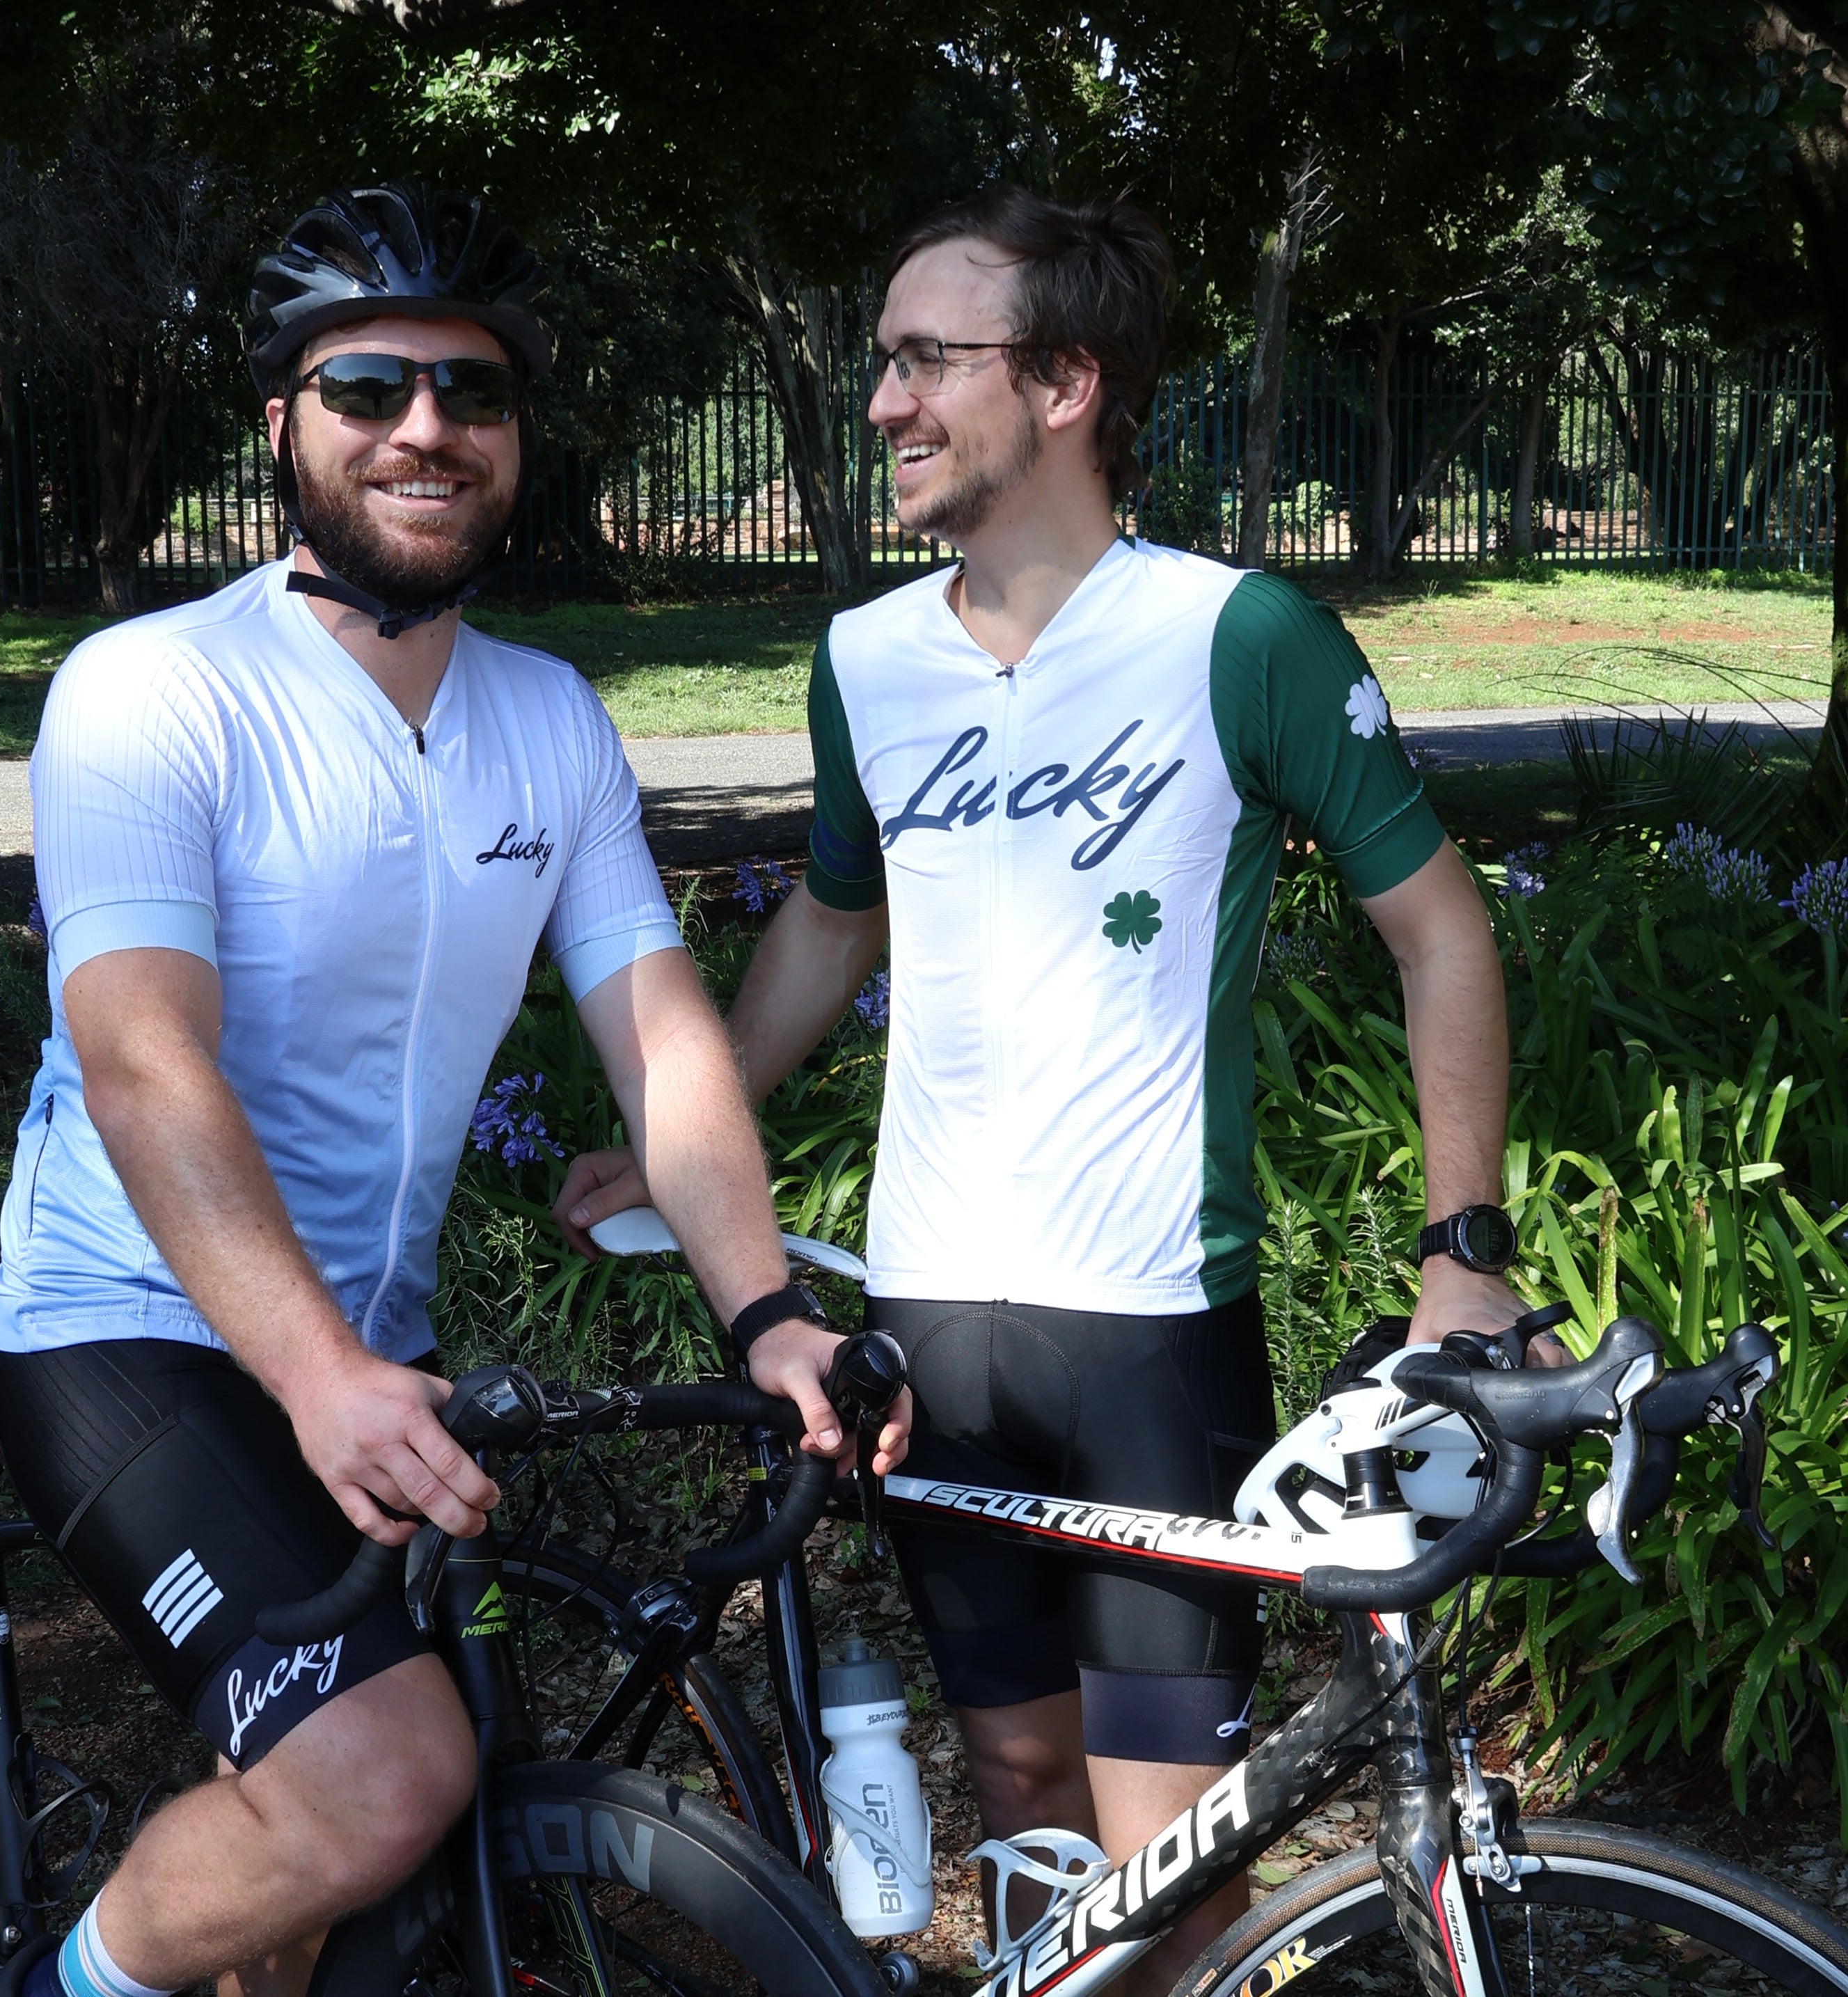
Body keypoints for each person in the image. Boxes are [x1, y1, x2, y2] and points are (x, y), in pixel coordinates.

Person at [555, 184, 1527, 1990]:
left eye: (929, 359)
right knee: (1015, 1784)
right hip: (929, 1325)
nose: (885, 403)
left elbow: (1445, 935)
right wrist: (685, 1136)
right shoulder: (865, 661)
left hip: (1151, 1322)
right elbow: (837, 925)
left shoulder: (1239, 636)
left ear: (1068, 381)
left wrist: (1462, 1245)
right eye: (886, 362)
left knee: (1172, 1850)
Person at [0, 181, 907, 1997]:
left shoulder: (549, 719)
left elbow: (663, 1037)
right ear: (284, 425)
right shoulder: (154, 693)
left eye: (471, 394)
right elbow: (140, 1059)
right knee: (388, 1778)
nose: (426, 427)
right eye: (371, 387)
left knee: (364, 1825)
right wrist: (316, 1375)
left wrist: (770, 1317)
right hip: (133, 1328)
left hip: (370, 1350)